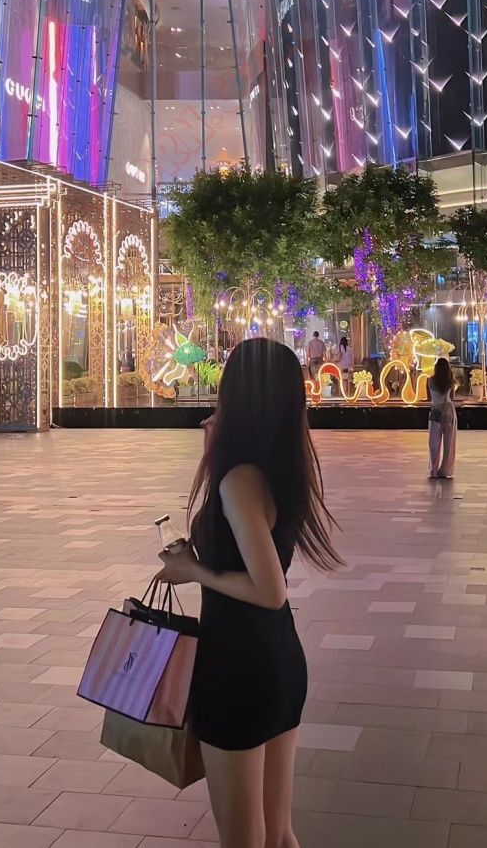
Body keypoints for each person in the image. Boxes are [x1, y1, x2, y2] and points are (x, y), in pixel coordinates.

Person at [155, 337, 341, 848]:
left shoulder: (240, 481)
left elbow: (269, 589)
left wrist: (194, 571)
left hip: (237, 668)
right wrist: (214, 452)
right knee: (277, 834)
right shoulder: (277, 470)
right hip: (277, 659)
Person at [428, 357, 457, 479]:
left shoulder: (430, 380)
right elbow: (452, 398)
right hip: (448, 412)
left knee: (434, 442)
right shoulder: (451, 382)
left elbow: (429, 397)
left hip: (435, 411)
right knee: (449, 443)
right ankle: (445, 469)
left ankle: (434, 470)